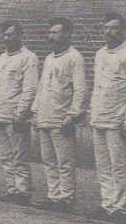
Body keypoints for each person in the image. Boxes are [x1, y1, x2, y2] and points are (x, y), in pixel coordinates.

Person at [89, 12, 126, 224]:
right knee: (102, 165)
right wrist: (92, 113)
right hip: (99, 118)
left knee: (118, 165)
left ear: (123, 31)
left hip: (117, 120)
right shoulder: (100, 54)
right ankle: (107, 204)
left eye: (114, 28)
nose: (109, 32)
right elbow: (97, 87)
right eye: (106, 28)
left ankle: (119, 208)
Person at [31, 17, 86, 212]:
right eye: (50, 33)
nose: (51, 36)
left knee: (65, 161)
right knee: (48, 160)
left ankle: (66, 198)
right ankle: (53, 196)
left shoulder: (74, 58)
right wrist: (36, 112)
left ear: (67, 34)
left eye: (55, 32)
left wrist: (72, 115)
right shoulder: (48, 58)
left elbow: (80, 89)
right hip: (45, 116)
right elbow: (42, 88)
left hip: (62, 118)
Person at [0, 20, 39, 205]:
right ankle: (11, 189)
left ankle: (23, 191)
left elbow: (30, 89)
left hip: (15, 116)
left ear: (20, 35)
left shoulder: (29, 58)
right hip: (0, 114)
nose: (7, 38)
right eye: (5, 35)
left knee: (19, 156)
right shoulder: (2, 58)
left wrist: (21, 113)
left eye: (11, 35)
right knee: (5, 156)